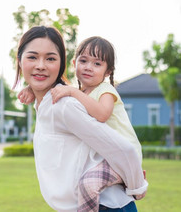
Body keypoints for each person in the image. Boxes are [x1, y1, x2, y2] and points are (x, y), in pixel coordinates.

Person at [12, 26, 148, 212]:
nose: (41, 65)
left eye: (50, 58)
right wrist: (33, 90)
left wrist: (137, 185)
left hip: (107, 206)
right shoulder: (64, 99)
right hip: (93, 203)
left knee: (90, 183)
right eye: (32, 57)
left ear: (61, 64)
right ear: (19, 61)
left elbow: (124, 149)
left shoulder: (67, 104)